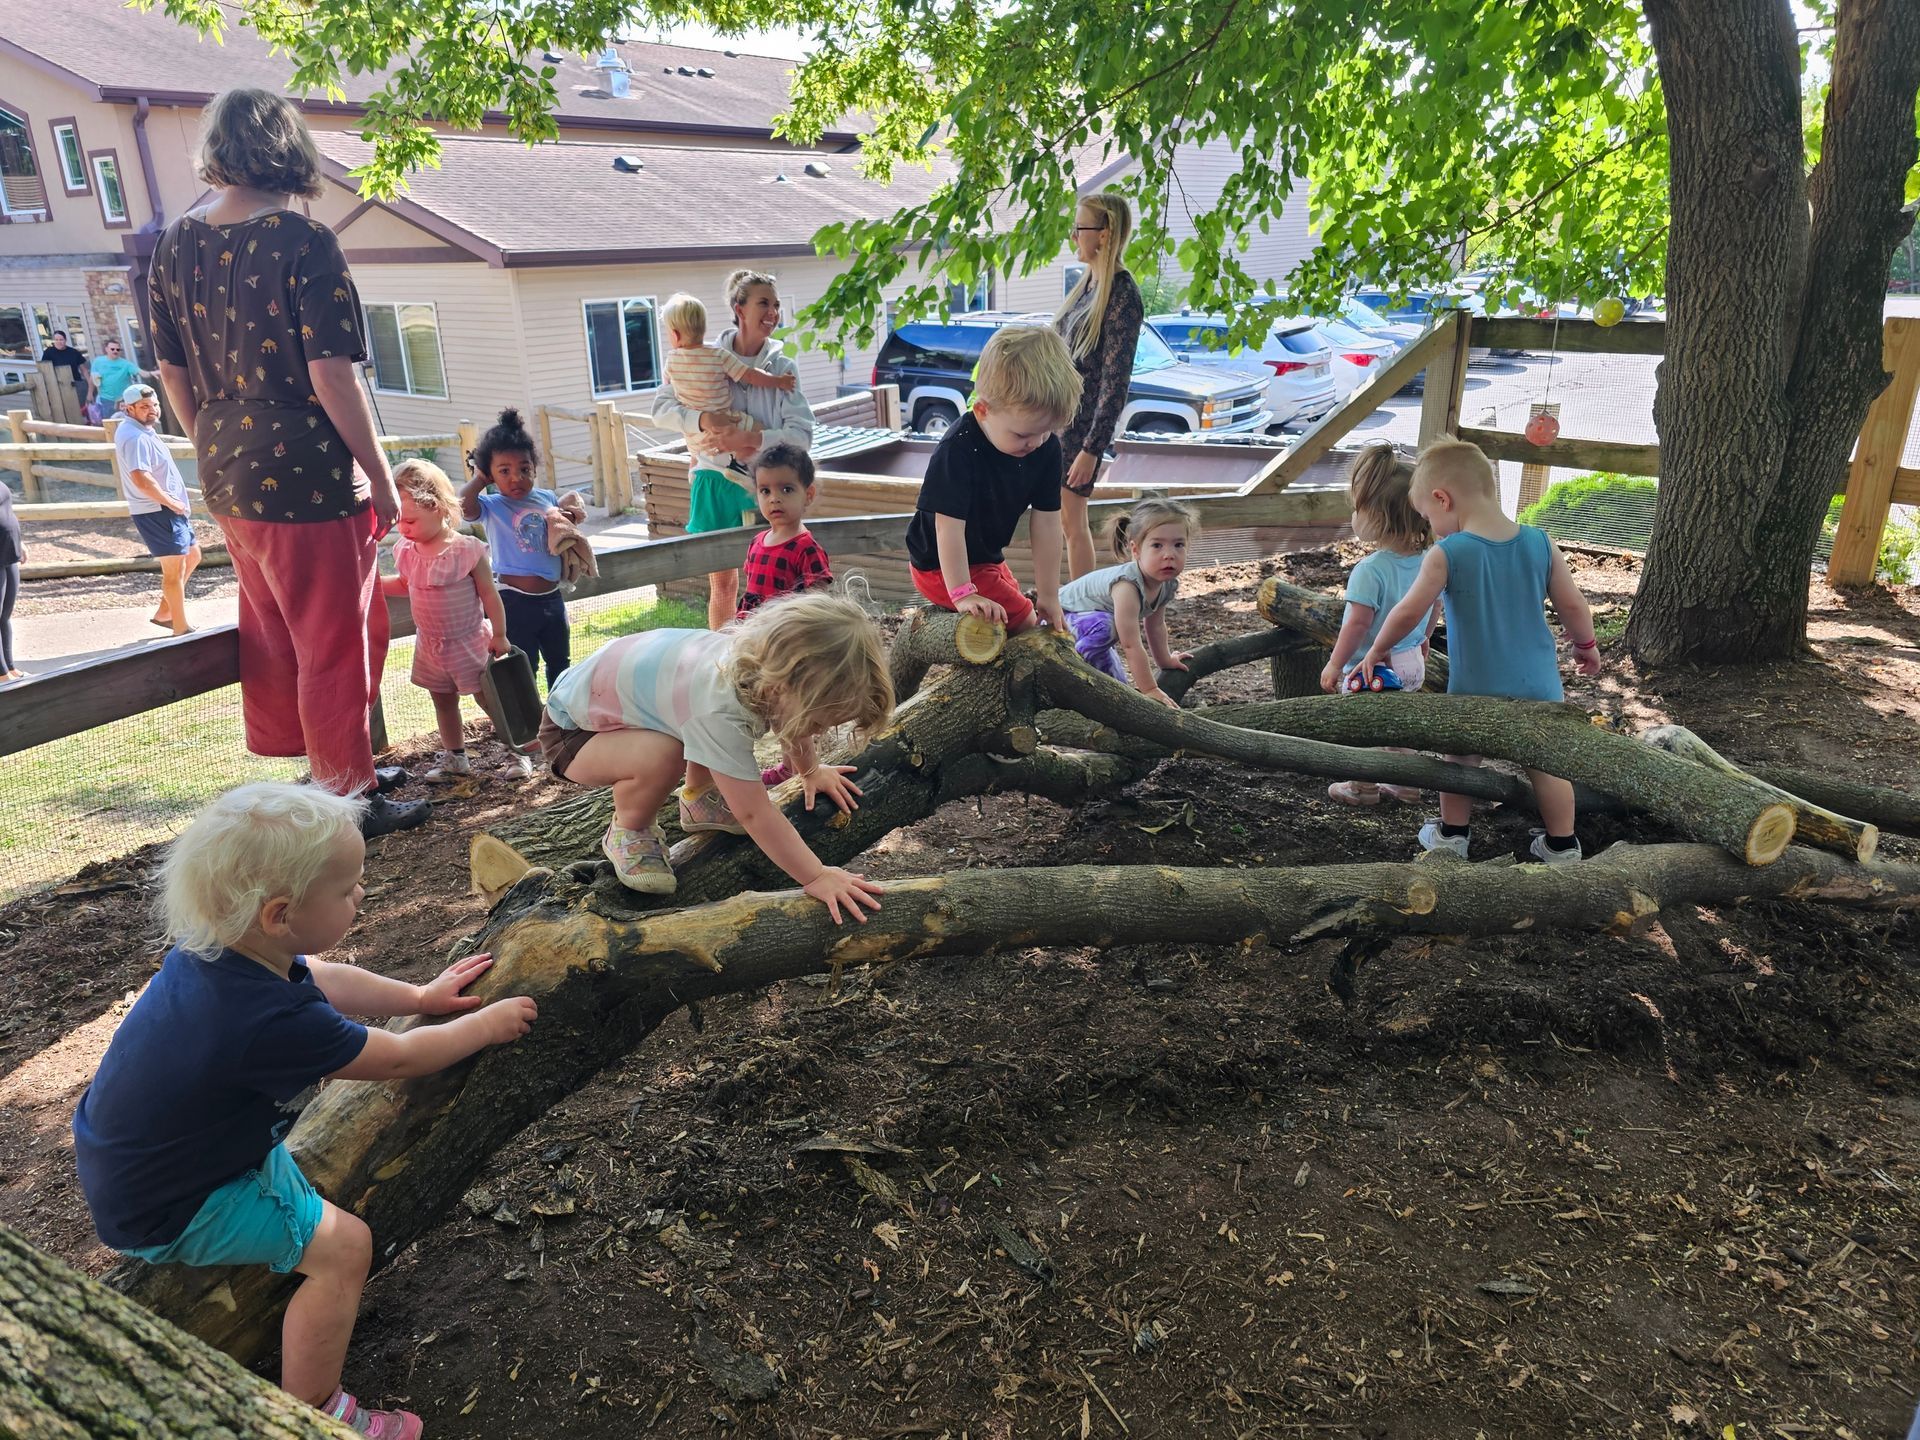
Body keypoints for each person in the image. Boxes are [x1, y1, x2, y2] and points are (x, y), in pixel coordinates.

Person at [71, 783, 537, 1438]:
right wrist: (485, 1026)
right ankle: (316, 1410)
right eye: (348, 889)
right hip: (169, 1205)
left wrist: (421, 994)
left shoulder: (221, 955)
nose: (362, 895)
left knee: (307, 1202)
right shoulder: (267, 1024)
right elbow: (399, 1060)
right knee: (346, 1250)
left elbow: (322, 977)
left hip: (143, 1158)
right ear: (280, 914)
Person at [147, 87, 425, 839]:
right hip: (308, 475)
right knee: (332, 635)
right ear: (288, 149)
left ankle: (336, 769)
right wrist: (379, 471)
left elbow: (172, 372)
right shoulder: (304, 242)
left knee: (279, 626)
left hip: (226, 468)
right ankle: (347, 799)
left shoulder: (174, 244)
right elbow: (333, 376)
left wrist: (210, 443)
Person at [538, 592, 891, 919]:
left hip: (615, 711)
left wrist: (810, 770)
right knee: (664, 754)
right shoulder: (718, 708)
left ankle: (700, 799)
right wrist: (816, 875)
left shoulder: (758, 667)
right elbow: (754, 813)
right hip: (573, 735)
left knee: (690, 729)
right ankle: (629, 829)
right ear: (781, 685)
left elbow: (792, 723)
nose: (814, 731)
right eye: (816, 721)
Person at [1357, 438, 1603, 863]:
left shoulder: (1447, 553)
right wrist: (1586, 646)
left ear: (1443, 498)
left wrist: (1377, 649)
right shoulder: (1540, 542)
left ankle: (1453, 837)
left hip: (1475, 690)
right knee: (1547, 764)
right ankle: (1562, 845)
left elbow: (1407, 611)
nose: (1431, 525)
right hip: (1540, 687)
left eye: (1428, 516)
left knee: (1459, 760)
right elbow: (1573, 605)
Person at [649, 270, 815, 631]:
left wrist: (753, 441)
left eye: (775, 304)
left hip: (765, 489)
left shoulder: (782, 369)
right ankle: (720, 652)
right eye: (763, 303)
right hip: (713, 478)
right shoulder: (697, 357)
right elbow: (661, 410)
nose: (772, 312)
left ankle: (768, 648)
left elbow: (801, 435)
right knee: (722, 581)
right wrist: (703, 418)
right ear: (738, 308)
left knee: (770, 580)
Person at [906, 324, 1079, 635]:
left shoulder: (1045, 447)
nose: (1037, 443)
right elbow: (947, 527)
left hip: (987, 560)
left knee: (1033, 614)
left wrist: (1049, 594)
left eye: (1046, 431)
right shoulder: (958, 449)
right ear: (983, 410)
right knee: (1025, 624)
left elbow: (1047, 523)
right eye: (1024, 434)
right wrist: (962, 593)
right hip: (938, 565)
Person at [379, 460, 530, 782]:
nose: (402, 529)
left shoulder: (467, 550)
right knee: (443, 701)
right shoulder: (407, 549)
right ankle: (455, 758)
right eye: (398, 523)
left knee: (490, 700)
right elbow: (407, 585)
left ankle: (516, 752)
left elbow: (490, 596)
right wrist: (374, 583)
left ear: (436, 507)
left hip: (469, 640)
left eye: (409, 521)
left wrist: (500, 634)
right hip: (431, 644)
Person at [1319, 442, 1438, 806]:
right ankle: (1405, 785)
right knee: (1398, 726)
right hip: (1412, 662)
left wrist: (1336, 664)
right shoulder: (1430, 559)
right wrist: (1425, 638)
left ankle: (1363, 788)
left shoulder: (1370, 571)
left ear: (1377, 517)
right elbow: (1434, 604)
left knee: (1364, 729)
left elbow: (1356, 625)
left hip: (1371, 667)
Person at [1053, 192, 1145, 580]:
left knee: (1073, 524)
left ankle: (1080, 614)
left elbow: (1115, 383)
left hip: (1082, 433)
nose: (1074, 236)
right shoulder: (1085, 286)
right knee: (1058, 523)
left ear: (1104, 234)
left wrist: (1092, 449)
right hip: (1055, 427)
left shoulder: (1122, 294)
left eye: (1079, 228)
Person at [458, 408, 580, 691]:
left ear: (534, 469)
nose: (516, 478)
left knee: (560, 661)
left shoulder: (547, 498)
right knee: (524, 664)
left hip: (552, 597)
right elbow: (462, 506)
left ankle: (561, 715)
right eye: (504, 471)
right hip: (515, 602)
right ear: (491, 475)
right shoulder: (492, 506)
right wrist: (479, 479)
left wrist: (570, 518)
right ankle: (531, 724)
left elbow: (566, 524)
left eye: (524, 469)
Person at [1059, 497, 1196, 707]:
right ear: (1136, 550)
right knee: (1108, 627)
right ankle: (1069, 672)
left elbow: (1156, 626)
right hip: (1058, 624)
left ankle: (1095, 690)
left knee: (1119, 690)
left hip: (1088, 630)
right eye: (1157, 545)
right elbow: (1130, 643)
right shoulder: (1127, 586)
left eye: (1179, 545)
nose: (1169, 555)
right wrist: (1149, 689)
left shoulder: (1166, 584)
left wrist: (1165, 660)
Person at [659, 292, 797, 484]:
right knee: (760, 431)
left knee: (696, 453)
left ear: (674, 334)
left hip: (694, 432)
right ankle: (740, 463)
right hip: (727, 421)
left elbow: (667, 390)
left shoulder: (671, 362)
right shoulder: (717, 355)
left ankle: (695, 472)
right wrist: (779, 381)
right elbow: (750, 375)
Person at [112, 383, 202, 637]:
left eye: (154, 405)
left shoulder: (142, 430)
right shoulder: (134, 437)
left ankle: (165, 612)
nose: (152, 411)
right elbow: (142, 479)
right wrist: (171, 503)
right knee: (174, 572)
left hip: (168, 509)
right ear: (128, 408)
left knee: (193, 556)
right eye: (144, 407)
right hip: (157, 510)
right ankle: (181, 628)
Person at [736, 443, 831, 620]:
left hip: (785, 638)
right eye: (765, 491)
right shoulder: (757, 541)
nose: (774, 499)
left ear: (808, 495)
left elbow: (817, 608)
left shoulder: (807, 549)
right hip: (752, 634)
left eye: (787, 489)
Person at [88, 338, 141, 423]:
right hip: (106, 399)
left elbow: (139, 372)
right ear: (106, 349)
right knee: (110, 424)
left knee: (128, 423)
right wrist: (90, 393)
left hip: (123, 399)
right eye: (112, 349)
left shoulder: (125, 364)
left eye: (117, 349)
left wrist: (152, 373)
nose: (115, 351)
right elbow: (93, 378)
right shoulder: (98, 362)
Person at [0, 476, 20, 681]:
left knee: (4, 615)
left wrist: (20, 541)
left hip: (8, 551)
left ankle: (10, 668)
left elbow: (6, 510)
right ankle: (2, 675)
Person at [41, 329, 87, 413]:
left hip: (74, 383)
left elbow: (84, 370)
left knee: (77, 408)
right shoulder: (48, 352)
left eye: (61, 339)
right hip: (57, 384)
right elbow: (44, 369)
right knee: (60, 409)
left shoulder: (73, 352)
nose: (59, 342)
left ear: (65, 340)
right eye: (56, 340)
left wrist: (89, 384)